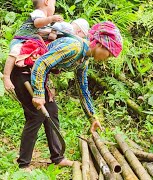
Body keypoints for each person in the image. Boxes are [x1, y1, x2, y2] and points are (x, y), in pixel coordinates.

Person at [4, 20, 123, 171]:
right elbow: (42, 63)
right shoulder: (74, 47)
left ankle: (58, 158)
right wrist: (39, 94)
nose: (108, 58)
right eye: (109, 54)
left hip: (37, 74)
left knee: (52, 111)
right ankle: (24, 164)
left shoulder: (83, 59)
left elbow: (82, 88)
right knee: (36, 115)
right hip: (23, 71)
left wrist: (92, 116)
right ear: (100, 44)